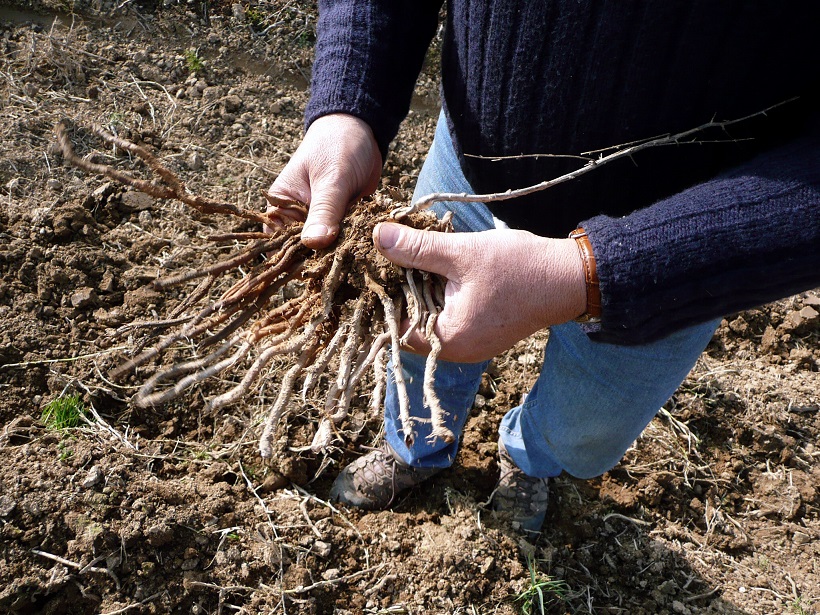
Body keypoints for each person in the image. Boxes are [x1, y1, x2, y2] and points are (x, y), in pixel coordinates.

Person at [266, 1, 820, 533]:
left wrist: (592, 273)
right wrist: (348, 104)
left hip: (680, 243)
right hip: (467, 170)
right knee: (417, 347)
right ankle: (416, 447)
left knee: (589, 420)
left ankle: (531, 460)